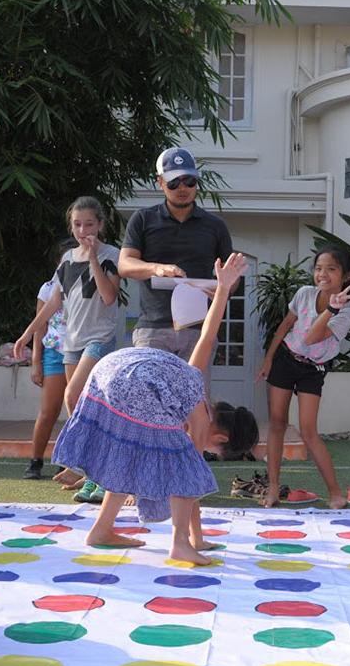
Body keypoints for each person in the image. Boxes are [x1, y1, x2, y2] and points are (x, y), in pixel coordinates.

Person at [49, 253, 258, 565]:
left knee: (129, 459)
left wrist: (225, 289)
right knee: (187, 473)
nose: (209, 453)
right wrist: (194, 538)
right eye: (216, 452)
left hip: (110, 370)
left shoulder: (193, 382)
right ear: (223, 439)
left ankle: (101, 529)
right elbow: (190, 484)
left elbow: (208, 333)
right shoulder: (198, 417)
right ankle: (179, 544)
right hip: (135, 382)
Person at [14, 197, 122, 500]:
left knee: (73, 395)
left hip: (99, 339)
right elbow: (53, 303)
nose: (83, 230)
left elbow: (109, 297)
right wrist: (26, 335)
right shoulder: (66, 260)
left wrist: (92, 259)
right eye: (77, 224)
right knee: (80, 411)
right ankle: (95, 475)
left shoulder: (112, 254)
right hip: (71, 344)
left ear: (100, 224)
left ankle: (98, 473)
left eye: (89, 224)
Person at [257, 244, 350, 510]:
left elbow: (312, 337)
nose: (323, 275)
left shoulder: (347, 312)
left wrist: (332, 308)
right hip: (286, 358)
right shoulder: (305, 293)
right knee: (276, 423)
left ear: (346, 276)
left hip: (312, 368)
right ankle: (272, 489)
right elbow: (285, 326)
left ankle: (335, 493)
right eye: (319, 269)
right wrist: (269, 358)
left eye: (331, 269)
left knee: (309, 431)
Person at [119, 147, 233, 363]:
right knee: (150, 396)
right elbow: (124, 265)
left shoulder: (215, 225)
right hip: (153, 327)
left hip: (198, 328)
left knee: (194, 396)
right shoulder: (143, 219)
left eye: (189, 181)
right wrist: (156, 268)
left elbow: (230, 278)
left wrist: (222, 287)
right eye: (174, 182)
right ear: (160, 182)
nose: (183, 187)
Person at [22, 244, 71, 480]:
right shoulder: (48, 288)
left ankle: (70, 463)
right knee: (49, 410)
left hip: (81, 352)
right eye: (65, 261)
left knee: (77, 411)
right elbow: (40, 325)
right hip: (54, 353)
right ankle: (35, 460)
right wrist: (36, 361)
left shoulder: (88, 286)